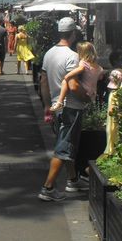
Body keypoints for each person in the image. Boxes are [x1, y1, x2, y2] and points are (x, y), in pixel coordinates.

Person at [38, 17, 89, 201]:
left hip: (55, 105)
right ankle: (48, 188)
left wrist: (46, 105)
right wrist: (87, 96)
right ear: (73, 33)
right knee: (63, 148)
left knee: (65, 144)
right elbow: (73, 85)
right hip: (70, 107)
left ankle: (73, 179)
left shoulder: (49, 53)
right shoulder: (72, 56)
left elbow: (43, 80)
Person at [50, 42, 104, 112]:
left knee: (65, 81)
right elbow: (100, 78)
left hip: (84, 90)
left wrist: (67, 76)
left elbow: (80, 69)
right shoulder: (100, 68)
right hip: (92, 93)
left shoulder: (83, 63)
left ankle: (59, 102)